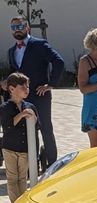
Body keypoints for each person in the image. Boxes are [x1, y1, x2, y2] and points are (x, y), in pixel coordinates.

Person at [7, 16, 64, 168]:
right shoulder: (11, 51)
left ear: (27, 28)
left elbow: (58, 61)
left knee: (46, 129)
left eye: (20, 26)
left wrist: (50, 84)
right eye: (13, 27)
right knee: (28, 131)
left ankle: (53, 166)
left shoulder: (39, 45)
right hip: (22, 99)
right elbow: (15, 74)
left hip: (40, 96)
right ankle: (33, 165)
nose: (17, 30)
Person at [0, 73, 38, 202]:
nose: (26, 89)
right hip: (9, 148)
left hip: (25, 148)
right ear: (11, 89)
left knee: (22, 177)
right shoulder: (5, 107)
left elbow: (36, 127)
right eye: (22, 87)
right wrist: (21, 115)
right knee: (12, 177)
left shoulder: (30, 106)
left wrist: (33, 117)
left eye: (27, 86)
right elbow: (7, 126)